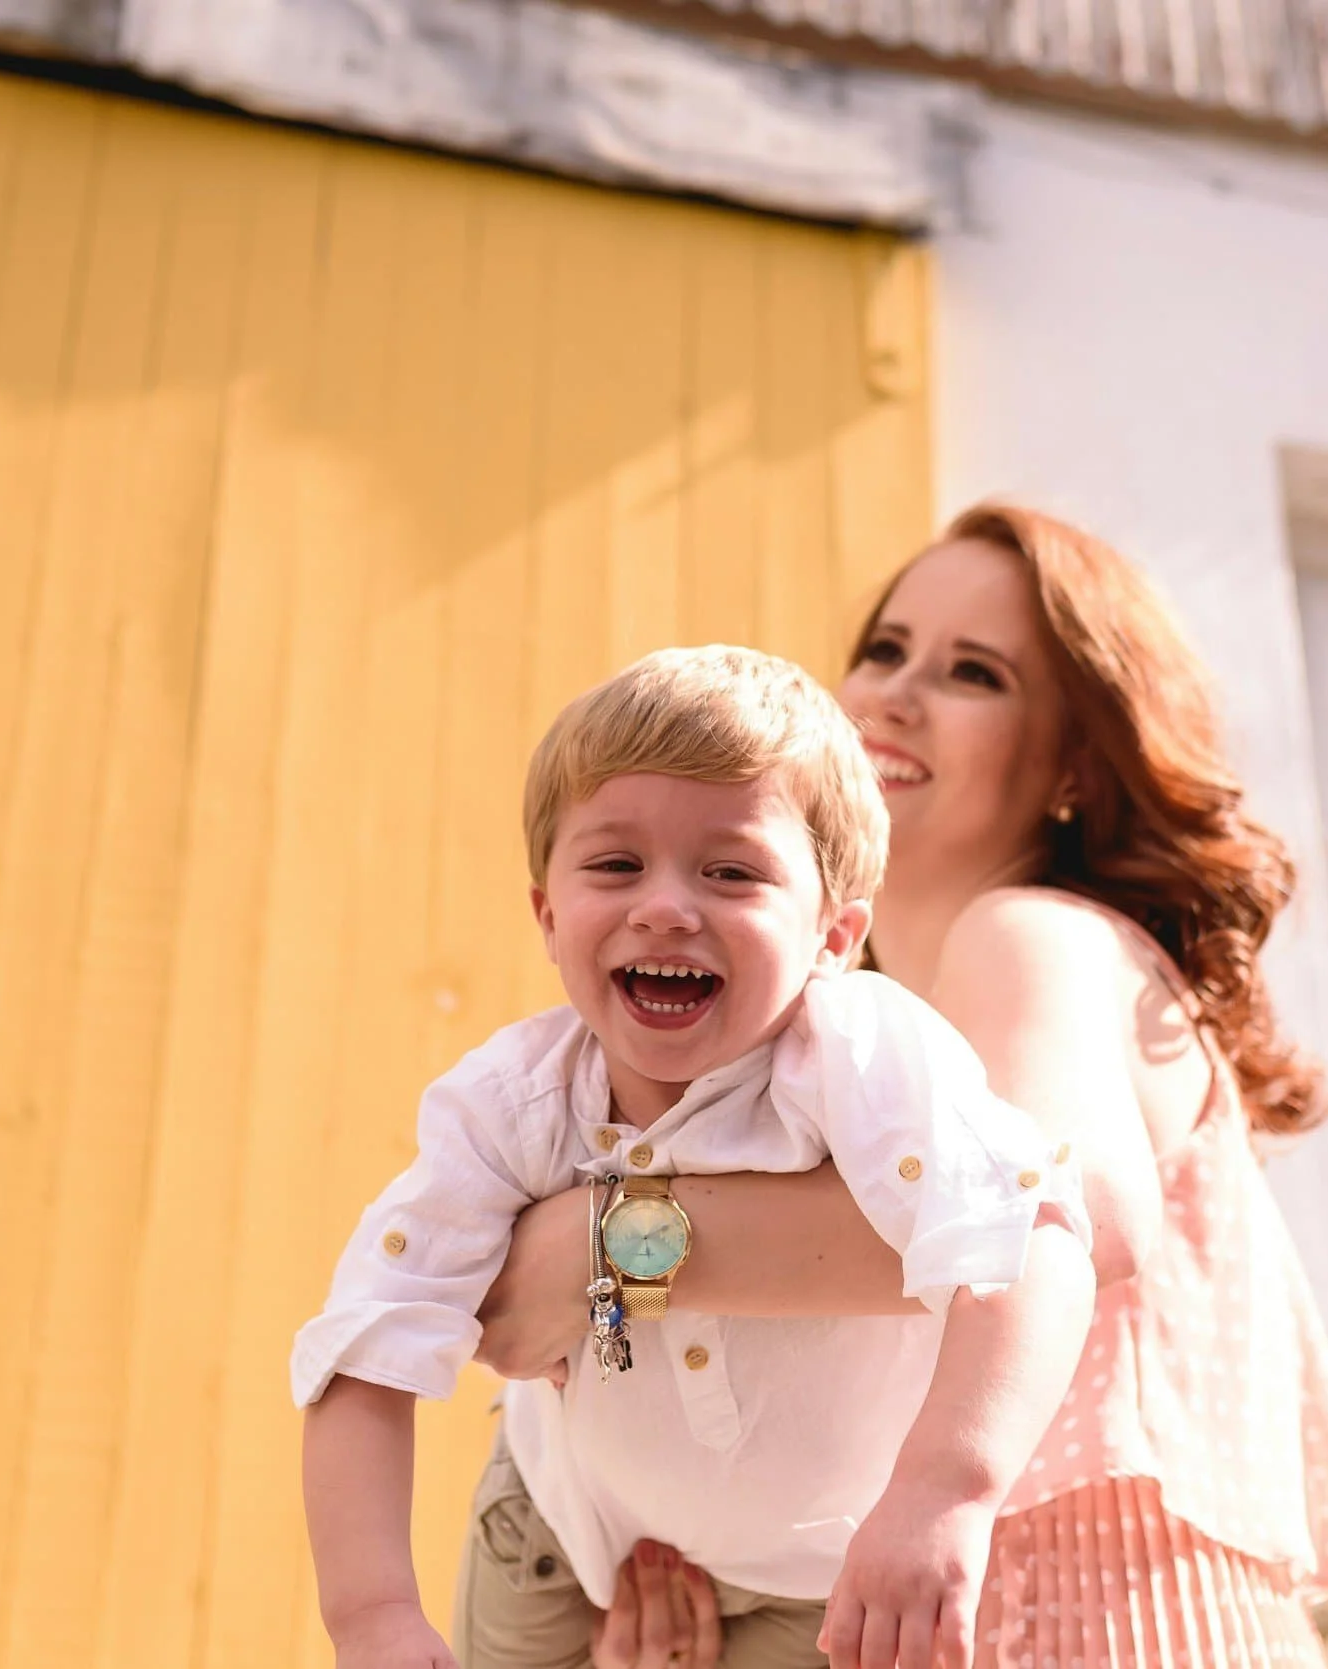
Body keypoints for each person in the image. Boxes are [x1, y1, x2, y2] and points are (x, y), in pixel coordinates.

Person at [476, 507, 1328, 1669]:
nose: (893, 695)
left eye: (973, 672)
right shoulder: (840, 1048)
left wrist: (605, 1249)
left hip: (1096, 1623)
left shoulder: (1028, 936)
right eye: (884, 649)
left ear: (1073, 764)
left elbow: (1072, 1207)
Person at [294, 646, 1098, 1669]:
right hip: (560, 1533)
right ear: (547, 913)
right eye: (615, 864)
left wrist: (947, 1490)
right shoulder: (510, 1103)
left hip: (822, 1570)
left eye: (731, 871)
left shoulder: (865, 1057)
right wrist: (371, 1619)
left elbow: (1032, 1244)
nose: (666, 906)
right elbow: (365, 1347)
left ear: (833, 934)